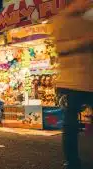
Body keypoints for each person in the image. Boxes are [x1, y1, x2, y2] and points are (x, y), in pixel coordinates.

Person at [51, 0, 93, 168]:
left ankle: (73, 160)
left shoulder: (86, 19)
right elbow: (61, 48)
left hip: (83, 79)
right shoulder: (61, 21)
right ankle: (72, 161)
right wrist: (84, 41)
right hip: (73, 80)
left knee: (70, 122)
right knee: (70, 123)